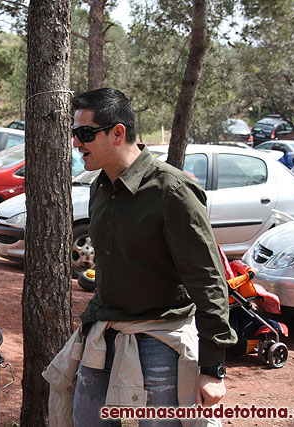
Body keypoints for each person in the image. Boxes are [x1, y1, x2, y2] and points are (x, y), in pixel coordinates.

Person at [45, 88, 237, 426]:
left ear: (118, 133)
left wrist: (213, 368)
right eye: (74, 133)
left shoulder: (172, 191)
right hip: (102, 336)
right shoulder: (99, 187)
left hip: (159, 344)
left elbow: (208, 281)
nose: (76, 143)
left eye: (85, 134)